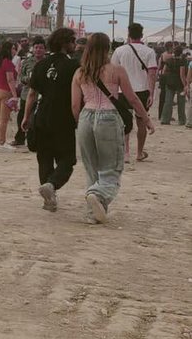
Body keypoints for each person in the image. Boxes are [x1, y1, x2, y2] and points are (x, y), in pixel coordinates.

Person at [71, 31, 154, 224]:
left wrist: (78, 123)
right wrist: (146, 119)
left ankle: (94, 212)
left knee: (91, 167)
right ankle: (97, 194)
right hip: (108, 117)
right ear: (108, 48)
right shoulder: (116, 70)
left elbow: (75, 105)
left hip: (86, 116)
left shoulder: (79, 72)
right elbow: (132, 98)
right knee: (111, 168)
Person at [21, 27, 78, 212]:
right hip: (63, 116)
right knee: (67, 159)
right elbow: (78, 95)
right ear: (65, 43)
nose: (74, 45)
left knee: (44, 157)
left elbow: (31, 93)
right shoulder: (73, 66)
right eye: (72, 41)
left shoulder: (41, 64)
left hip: (42, 114)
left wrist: (26, 116)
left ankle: (48, 197)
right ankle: (52, 185)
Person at [111, 23, 157, 161]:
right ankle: (139, 152)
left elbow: (113, 72)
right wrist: (151, 93)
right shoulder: (149, 51)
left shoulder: (119, 51)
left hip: (122, 91)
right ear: (142, 35)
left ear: (129, 35)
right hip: (142, 90)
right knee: (141, 122)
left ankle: (125, 153)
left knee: (125, 122)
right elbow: (152, 74)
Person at [12, 37, 46, 147]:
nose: (38, 50)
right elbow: (21, 76)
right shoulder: (27, 61)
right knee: (22, 116)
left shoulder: (48, 62)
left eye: (41, 48)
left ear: (45, 49)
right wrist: (30, 80)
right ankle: (20, 138)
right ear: (33, 49)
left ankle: (35, 140)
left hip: (42, 95)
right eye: (36, 47)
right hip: (26, 94)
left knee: (36, 120)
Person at [158, 42, 186, 125]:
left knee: (168, 102)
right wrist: (185, 85)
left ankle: (165, 119)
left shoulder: (168, 60)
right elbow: (182, 74)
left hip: (169, 82)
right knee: (181, 102)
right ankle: (182, 120)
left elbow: (163, 71)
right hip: (179, 83)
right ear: (181, 53)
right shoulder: (182, 61)